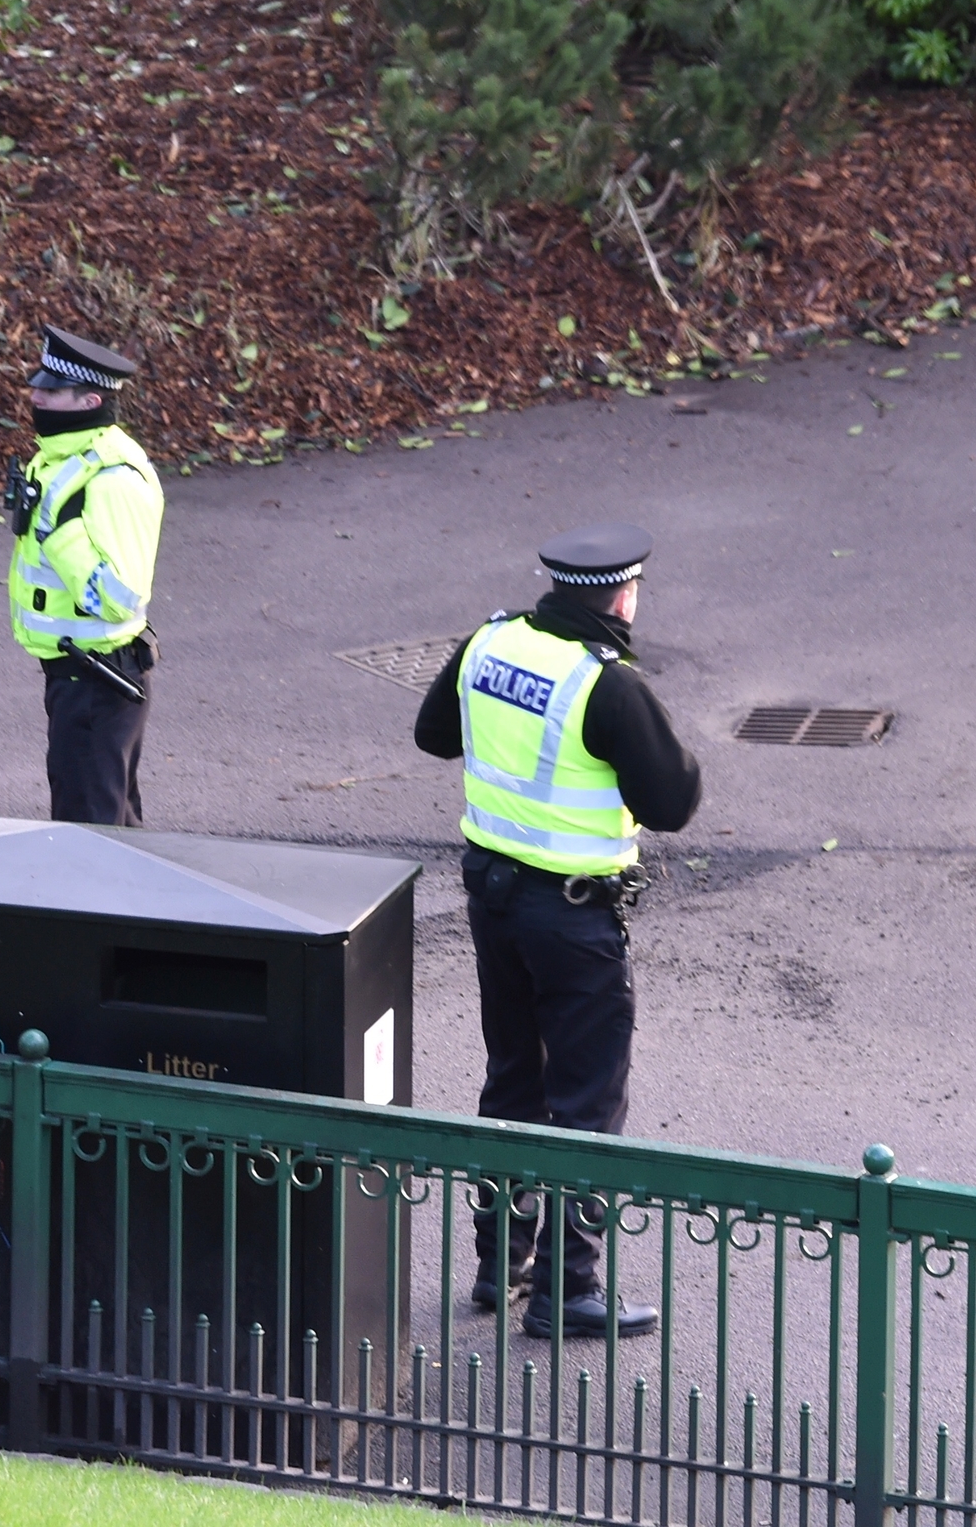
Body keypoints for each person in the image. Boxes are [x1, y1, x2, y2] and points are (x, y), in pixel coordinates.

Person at [412, 521, 701, 1339]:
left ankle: (499, 1264)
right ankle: (568, 1291)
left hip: (492, 898)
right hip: (572, 918)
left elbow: (434, 735)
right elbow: (673, 804)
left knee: (512, 1079)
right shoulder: (608, 688)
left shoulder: (491, 642)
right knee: (585, 1103)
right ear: (623, 594)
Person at [4, 324, 165, 824]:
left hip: (99, 676)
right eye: (37, 386)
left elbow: (122, 597)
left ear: (89, 400)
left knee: (90, 835)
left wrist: (60, 535)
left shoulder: (114, 479)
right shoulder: (62, 461)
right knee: (111, 823)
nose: (35, 396)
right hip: (78, 676)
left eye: (51, 391)